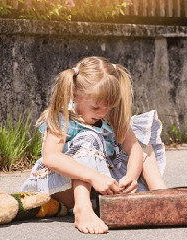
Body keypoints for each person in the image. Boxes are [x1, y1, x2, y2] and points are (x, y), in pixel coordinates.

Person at [20, 56, 167, 234]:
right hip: (65, 187)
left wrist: (131, 177)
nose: (103, 113)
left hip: (103, 187)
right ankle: (83, 209)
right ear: (75, 94)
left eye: (109, 107)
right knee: (89, 137)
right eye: (97, 108)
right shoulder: (64, 118)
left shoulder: (110, 115)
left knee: (144, 145)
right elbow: (50, 157)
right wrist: (92, 176)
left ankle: (162, 197)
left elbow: (134, 148)